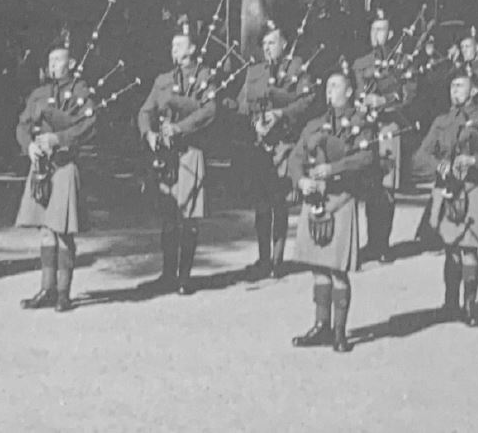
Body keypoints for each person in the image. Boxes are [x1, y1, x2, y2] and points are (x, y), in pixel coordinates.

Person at [288, 71, 377, 353]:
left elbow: (366, 157)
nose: (330, 90)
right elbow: (296, 156)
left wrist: (333, 169)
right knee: (317, 266)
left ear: (350, 92)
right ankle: (321, 326)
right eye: (327, 85)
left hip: (341, 199)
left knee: (338, 269)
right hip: (314, 198)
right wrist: (300, 179)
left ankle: (340, 331)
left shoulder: (361, 124)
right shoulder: (315, 124)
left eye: (336, 85)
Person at [413, 73, 478, 327]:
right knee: (450, 248)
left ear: (474, 90)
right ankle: (450, 303)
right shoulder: (442, 121)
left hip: (474, 187)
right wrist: (438, 165)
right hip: (447, 189)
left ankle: (470, 306)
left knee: (468, 248)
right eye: (451, 85)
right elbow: (420, 156)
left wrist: (475, 161)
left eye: (460, 86)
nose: (454, 90)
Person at [13, 45, 97, 311]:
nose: (52, 64)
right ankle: (46, 289)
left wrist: (58, 139)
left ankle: (63, 293)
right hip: (40, 167)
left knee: (62, 231)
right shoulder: (39, 93)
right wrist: (29, 146)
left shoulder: (82, 92)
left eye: (58, 60)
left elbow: (87, 126)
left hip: (64, 165)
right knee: (45, 231)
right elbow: (23, 125)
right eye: (49, 60)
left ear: (71, 63)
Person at [137, 28, 217, 295]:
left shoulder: (205, 76)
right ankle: (167, 274)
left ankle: (185, 277)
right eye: (172, 45)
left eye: (180, 45)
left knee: (189, 216)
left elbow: (209, 110)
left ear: (192, 49)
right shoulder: (162, 79)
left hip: (190, 151)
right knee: (169, 216)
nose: (174, 50)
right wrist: (148, 132)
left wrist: (180, 128)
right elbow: (145, 110)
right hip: (166, 156)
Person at [236, 23, 317, 279]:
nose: (268, 48)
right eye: (265, 44)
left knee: (278, 201)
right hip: (259, 145)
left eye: (273, 42)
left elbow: (308, 100)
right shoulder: (254, 71)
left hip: (283, 143)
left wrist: (281, 114)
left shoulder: (298, 68)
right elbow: (242, 104)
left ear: (284, 43)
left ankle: (277, 259)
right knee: (261, 204)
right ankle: (263, 259)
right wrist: (253, 123)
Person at [351, 9, 417, 263]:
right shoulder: (361, 63)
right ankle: (371, 241)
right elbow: (356, 92)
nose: (376, 35)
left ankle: (383, 243)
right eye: (373, 30)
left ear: (391, 33)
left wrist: (384, 100)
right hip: (367, 127)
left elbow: (409, 93)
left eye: (381, 30)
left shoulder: (402, 62)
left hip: (390, 127)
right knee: (370, 185)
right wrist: (363, 102)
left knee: (387, 187)